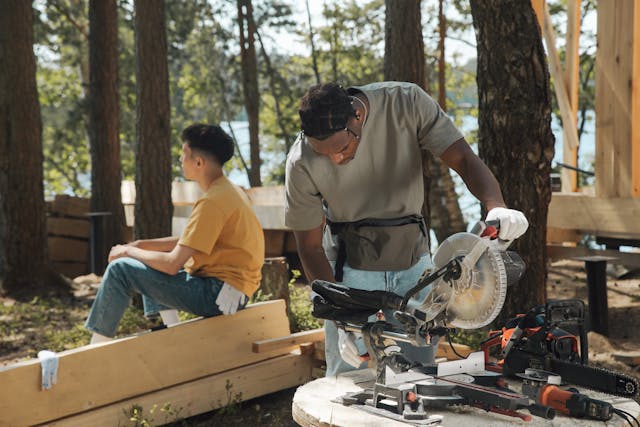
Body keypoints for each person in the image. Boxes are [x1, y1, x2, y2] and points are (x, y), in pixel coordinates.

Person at [285, 82, 528, 376]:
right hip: (350, 277)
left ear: (357, 118)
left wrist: (495, 205)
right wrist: (339, 315)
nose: (335, 159)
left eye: (341, 148)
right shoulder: (300, 162)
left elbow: (462, 157)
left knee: (418, 377)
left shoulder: (405, 102)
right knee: (349, 382)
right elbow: (309, 247)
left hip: (416, 270)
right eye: (322, 154)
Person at [85, 124, 265, 343]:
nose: (180, 159)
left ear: (199, 162)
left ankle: (95, 346)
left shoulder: (212, 202)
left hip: (218, 295)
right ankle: (172, 332)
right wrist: (141, 245)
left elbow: (171, 263)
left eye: (184, 154)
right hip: (232, 292)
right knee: (150, 262)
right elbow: (191, 241)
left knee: (120, 269)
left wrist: (127, 253)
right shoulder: (229, 191)